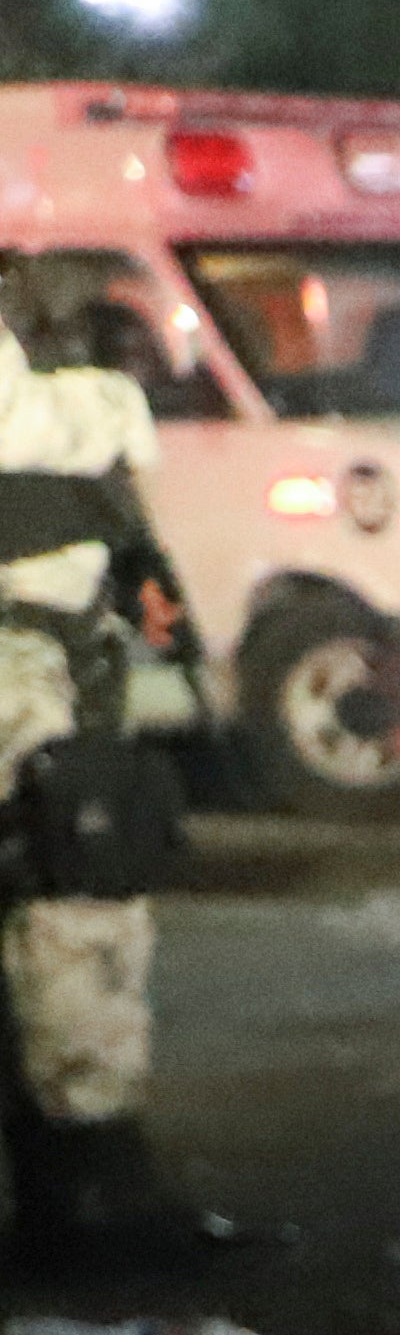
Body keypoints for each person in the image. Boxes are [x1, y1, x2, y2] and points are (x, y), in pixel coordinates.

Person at [0, 304, 234, 1275]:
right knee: (73, 890)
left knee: (65, 888)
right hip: (21, 654)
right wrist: (116, 400)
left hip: (54, 642)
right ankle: (91, 1188)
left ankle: (80, 1180)